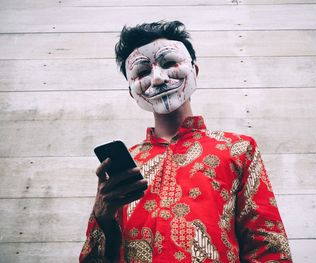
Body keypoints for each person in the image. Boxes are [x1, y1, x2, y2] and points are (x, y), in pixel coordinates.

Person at [80, 20, 292, 263]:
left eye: (169, 63)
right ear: (131, 90)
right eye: (142, 72)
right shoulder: (126, 165)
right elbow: (91, 258)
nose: (157, 79)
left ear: (195, 71)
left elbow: (268, 247)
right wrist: (103, 218)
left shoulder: (238, 150)